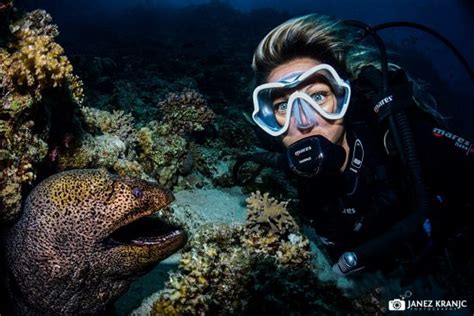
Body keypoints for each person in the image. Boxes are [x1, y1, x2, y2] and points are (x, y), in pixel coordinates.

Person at [247, 13, 474, 281]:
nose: (303, 122)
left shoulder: (397, 139)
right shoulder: (282, 167)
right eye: (282, 106)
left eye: (318, 96)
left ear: (345, 98)